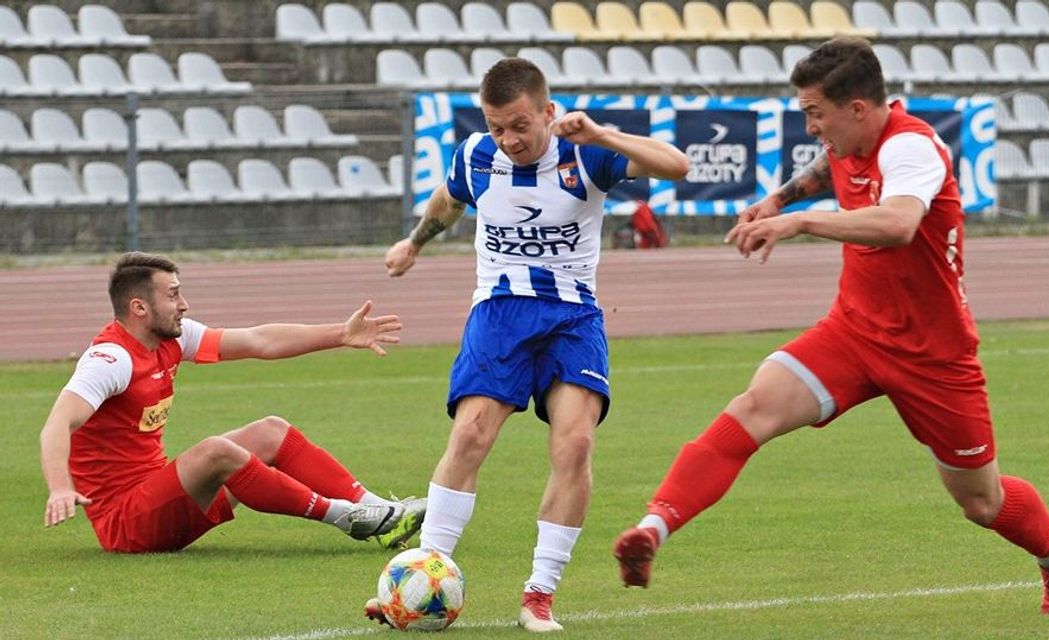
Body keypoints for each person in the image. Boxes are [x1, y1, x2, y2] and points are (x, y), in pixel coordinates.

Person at [613, 37, 1049, 616]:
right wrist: (778, 200)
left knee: (981, 502)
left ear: (858, 109)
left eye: (816, 113)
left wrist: (800, 222)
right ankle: (652, 530)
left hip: (933, 354)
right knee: (752, 408)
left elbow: (899, 224)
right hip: (854, 332)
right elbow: (826, 167)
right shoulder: (848, 140)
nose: (810, 127)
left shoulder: (910, 148)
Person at [384, 57, 689, 631]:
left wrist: (601, 133)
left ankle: (539, 594)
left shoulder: (585, 154)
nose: (509, 139)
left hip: (573, 317)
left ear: (548, 112)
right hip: (499, 312)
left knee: (575, 445)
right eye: (497, 126)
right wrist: (414, 242)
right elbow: (448, 201)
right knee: (471, 434)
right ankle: (421, 574)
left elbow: (677, 165)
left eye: (520, 125)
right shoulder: (476, 156)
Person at [41, 251, 426, 553]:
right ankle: (349, 517)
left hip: (161, 496)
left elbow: (260, 340)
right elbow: (58, 422)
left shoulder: (171, 339)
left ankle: (383, 512)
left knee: (271, 431)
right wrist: (60, 488)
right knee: (215, 452)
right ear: (139, 308)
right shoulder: (111, 359)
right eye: (172, 295)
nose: (184, 304)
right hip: (127, 523)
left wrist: (340, 334)